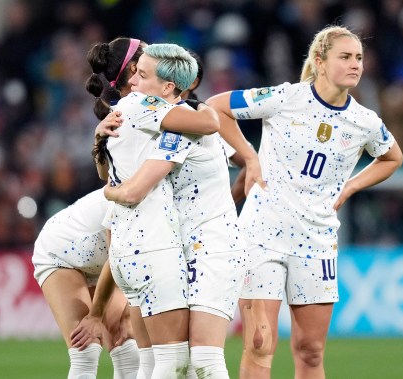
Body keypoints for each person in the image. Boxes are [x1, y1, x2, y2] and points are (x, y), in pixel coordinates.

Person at [206, 25, 403, 378]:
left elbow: (392, 158)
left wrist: (351, 187)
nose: (355, 64)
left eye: (359, 57)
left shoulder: (364, 121)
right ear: (320, 62)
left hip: (316, 241)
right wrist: (249, 157)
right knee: (259, 341)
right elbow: (216, 108)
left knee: (311, 351)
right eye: (345, 57)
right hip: (261, 232)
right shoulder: (286, 98)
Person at [83, 44, 247, 378]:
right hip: (174, 246)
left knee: (200, 360)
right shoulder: (165, 124)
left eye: (142, 76)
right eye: (135, 73)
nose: (134, 85)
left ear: (167, 87)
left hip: (211, 247)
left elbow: (132, 188)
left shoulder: (182, 126)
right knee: (166, 362)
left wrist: (110, 190)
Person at [31, 37, 148, 379]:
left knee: (124, 340)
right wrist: (96, 315)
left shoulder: (132, 124)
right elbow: (120, 241)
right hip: (63, 250)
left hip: (102, 248)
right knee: (86, 347)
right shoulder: (128, 131)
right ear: (132, 72)